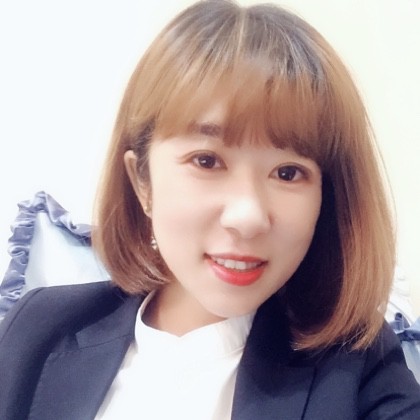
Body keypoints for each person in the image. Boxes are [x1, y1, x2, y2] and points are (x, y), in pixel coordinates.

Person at [1, 0, 420, 418]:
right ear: (142, 181)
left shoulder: (358, 366)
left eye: (288, 172)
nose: (248, 216)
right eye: (206, 161)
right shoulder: (39, 328)